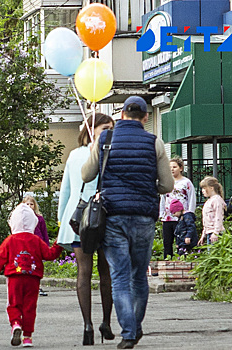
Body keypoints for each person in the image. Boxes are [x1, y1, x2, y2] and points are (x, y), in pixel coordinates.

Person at [81, 96, 174, 349]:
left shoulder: (105, 139)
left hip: (113, 216)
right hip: (144, 216)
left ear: (121, 115)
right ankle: (134, 326)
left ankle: (129, 332)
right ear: (145, 117)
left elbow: (86, 174)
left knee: (120, 276)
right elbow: (167, 185)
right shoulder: (154, 141)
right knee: (138, 276)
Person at [57, 113, 116, 345]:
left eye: (111, 127)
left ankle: (88, 326)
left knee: (84, 272)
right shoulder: (107, 153)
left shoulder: (74, 154)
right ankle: (105, 323)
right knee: (105, 273)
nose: (109, 131)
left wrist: (62, 220)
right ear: (91, 130)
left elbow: (66, 190)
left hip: (78, 217)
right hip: (102, 215)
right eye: (105, 128)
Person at [0, 203, 63, 348]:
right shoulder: (36, 240)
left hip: (14, 278)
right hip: (33, 278)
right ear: (33, 222)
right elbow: (49, 254)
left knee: (14, 304)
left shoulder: (10, 240)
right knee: (29, 307)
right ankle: (27, 337)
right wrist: (58, 244)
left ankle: (16, 324)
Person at [159, 157, 196, 258]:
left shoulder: (186, 182)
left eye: (174, 167)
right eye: (170, 167)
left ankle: (182, 259)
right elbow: (163, 198)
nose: (172, 169)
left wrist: (189, 213)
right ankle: (168, 261)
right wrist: (161, 214)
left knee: (181, 241)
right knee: (167, 242)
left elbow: (191, 198)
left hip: (181, 217)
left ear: (180, 168)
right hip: (167, 217)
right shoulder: (166, 182)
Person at [22, 194, 50, 296]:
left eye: (31, 204)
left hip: (37, 245)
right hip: (26, 246)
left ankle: (37, 287)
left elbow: (44, 233)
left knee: (37, 267)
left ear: (35, 206)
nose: (29, 206)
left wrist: (46, 247)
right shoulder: (21, 219)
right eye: (27, 204)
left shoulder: (39, 219)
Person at [198, 176, 227, 246]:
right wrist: (203, 234)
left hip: (215, 233)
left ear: (211, 188)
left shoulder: (216, 200)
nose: (202, 191)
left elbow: (218, 217)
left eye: (204, 188)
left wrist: (216, 233)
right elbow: (206, 219)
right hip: (209, 232)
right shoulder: (209, 201)